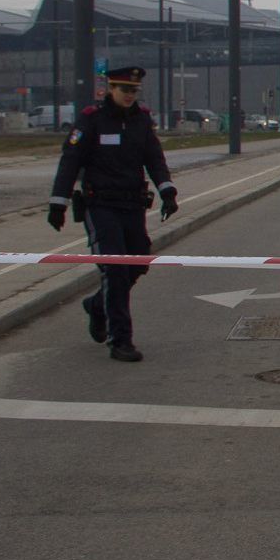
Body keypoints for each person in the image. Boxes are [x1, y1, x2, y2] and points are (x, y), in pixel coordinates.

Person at [47, 65, 177, 363]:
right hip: (100, 205)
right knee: (115, 270)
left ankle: (96, 306)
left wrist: (167, 191)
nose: (130, 95)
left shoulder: (141, 120)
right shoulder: (92, 120)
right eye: (125, 90)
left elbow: (154, 158)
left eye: (134, 91)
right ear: (110, 89)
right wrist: (58, 203)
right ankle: (121, 340)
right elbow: (70, 160)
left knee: (139, 262)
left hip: (132, 204)